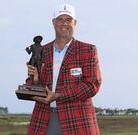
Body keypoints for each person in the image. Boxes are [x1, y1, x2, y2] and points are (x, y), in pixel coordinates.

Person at [27, 3, 102, 135]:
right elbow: (30, 84)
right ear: (53, 22)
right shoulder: (42, 50)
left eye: (68, 20)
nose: (64, 24)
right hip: (44, 119)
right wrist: (35, 80)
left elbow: (92, 85)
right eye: (60, 19)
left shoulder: (87, 50)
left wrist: (58, 96)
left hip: (78, 120)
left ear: (75, 23)